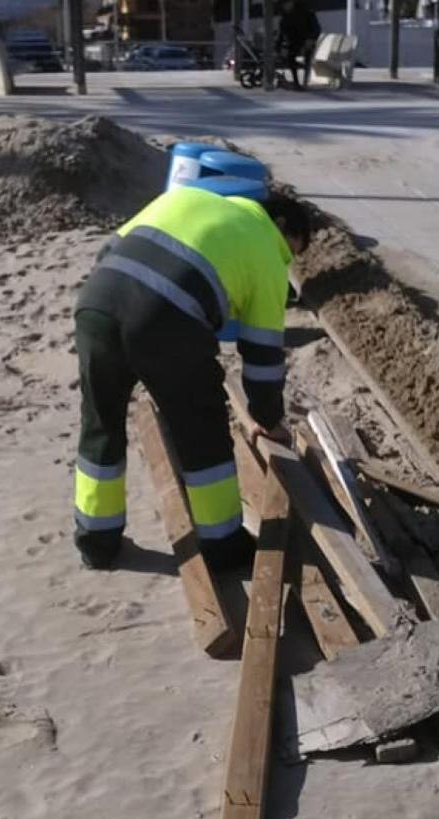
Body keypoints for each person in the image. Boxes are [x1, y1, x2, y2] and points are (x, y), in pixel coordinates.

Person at [71, 186, 312, 572]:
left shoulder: (188, 198)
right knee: (202, 431)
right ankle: (222, 546)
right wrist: (268, 421)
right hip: (165, 319)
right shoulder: (266, 251)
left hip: (96, 303)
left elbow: (110, 250)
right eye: (292, 249)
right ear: (280, 225)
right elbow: (263, 356)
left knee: (101, 424)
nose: (288, 258)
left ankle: (96, 542)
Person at [279, 0, 321, 90]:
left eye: (286, 4)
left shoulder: (306, 13)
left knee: (305, 54)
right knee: (290, 56)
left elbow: (316, 29)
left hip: (306, 41)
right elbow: (283, 32)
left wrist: (310, 39)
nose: (285, 7)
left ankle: (303, 81)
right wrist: (280, 45)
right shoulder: (285, 16)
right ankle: (295, 82)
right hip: (294, 42)